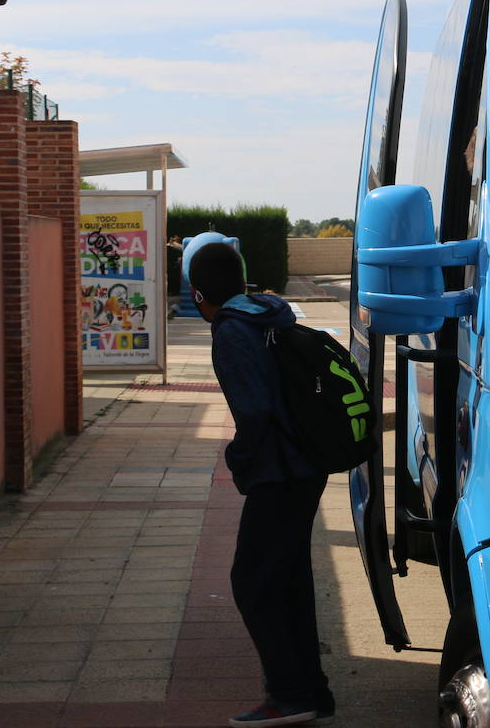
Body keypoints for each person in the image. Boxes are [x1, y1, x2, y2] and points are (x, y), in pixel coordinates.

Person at [188, 242, 334, 728]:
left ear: (198, 293)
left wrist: (238, 459)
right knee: (289, 577)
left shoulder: (231, 330)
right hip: (308, 464)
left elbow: (253, 410)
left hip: (279, 471)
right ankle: (311, 690)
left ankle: (289, 695)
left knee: (253, 582)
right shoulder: (270, 314)